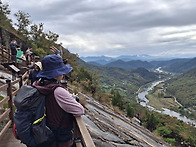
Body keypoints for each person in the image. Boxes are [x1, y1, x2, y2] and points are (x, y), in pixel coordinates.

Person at [33, 55, 85, 147]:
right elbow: (79, 110)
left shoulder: (38, 84)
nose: (63, 74)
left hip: (44, 132)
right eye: (61, 72)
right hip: (59, 137)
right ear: (56, 74)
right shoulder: (58, 90)